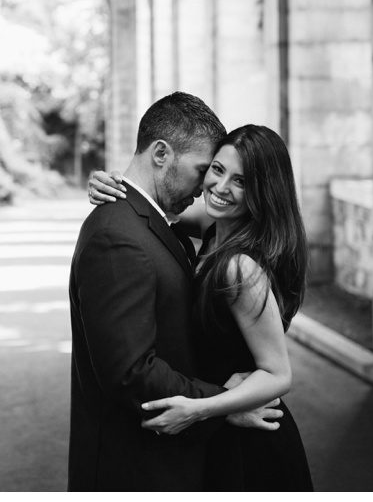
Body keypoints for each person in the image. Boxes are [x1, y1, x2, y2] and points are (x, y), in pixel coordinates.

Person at [68, 93, 284, 492]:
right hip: (136, 467)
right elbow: (131, 372)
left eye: (236, 178)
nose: (208, 188)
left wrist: (212, 407)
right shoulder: (118, 235)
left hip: (190, 454)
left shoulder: (157, 222)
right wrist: (221, 405)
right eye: (207, 169)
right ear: (162, 154)